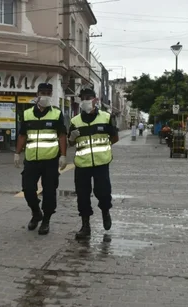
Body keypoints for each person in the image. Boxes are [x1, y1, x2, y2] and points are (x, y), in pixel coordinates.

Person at [14, 83, 68, 235]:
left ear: (51, 95)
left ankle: (46, 220)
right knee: (28, 189)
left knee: (49, 191)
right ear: (37, 94)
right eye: (42, 92)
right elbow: (22, 135)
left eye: (48, 93)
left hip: (50, 160)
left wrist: (63, 155)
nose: (45, 95)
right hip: (31, 159)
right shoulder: (27, 114)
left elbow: (62, 135)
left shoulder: (56, 114)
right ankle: (36, 213)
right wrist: (17, 153)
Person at [68, 88, 119, 239]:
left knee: (103, 192)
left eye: (89, 97)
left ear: (95, 100)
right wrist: (72, 136)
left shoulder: (106, 117)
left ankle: (105, 211)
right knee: (82, 196)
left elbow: (115, 137)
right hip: (82, 165)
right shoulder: (75, 121)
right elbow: (71, 143)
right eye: (83, 98)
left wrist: (103, 149)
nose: (86, 100)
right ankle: (85, 225)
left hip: (101, 163)